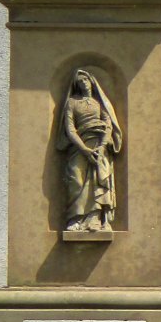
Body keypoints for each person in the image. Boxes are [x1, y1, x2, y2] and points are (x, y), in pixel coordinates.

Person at [56, 69, 122, 232]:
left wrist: (101, 147)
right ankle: (76, 219)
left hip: (100, 144)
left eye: (85, 80)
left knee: (98, 180)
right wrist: (85, 150)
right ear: (76, 85)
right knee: (76, 179)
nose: (83, 83)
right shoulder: (72, 102)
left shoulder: (100, 103)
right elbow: (70, 130)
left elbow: (108, 125)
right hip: (80, 146)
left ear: (91, 81)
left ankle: (96, 219)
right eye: (79, 81)